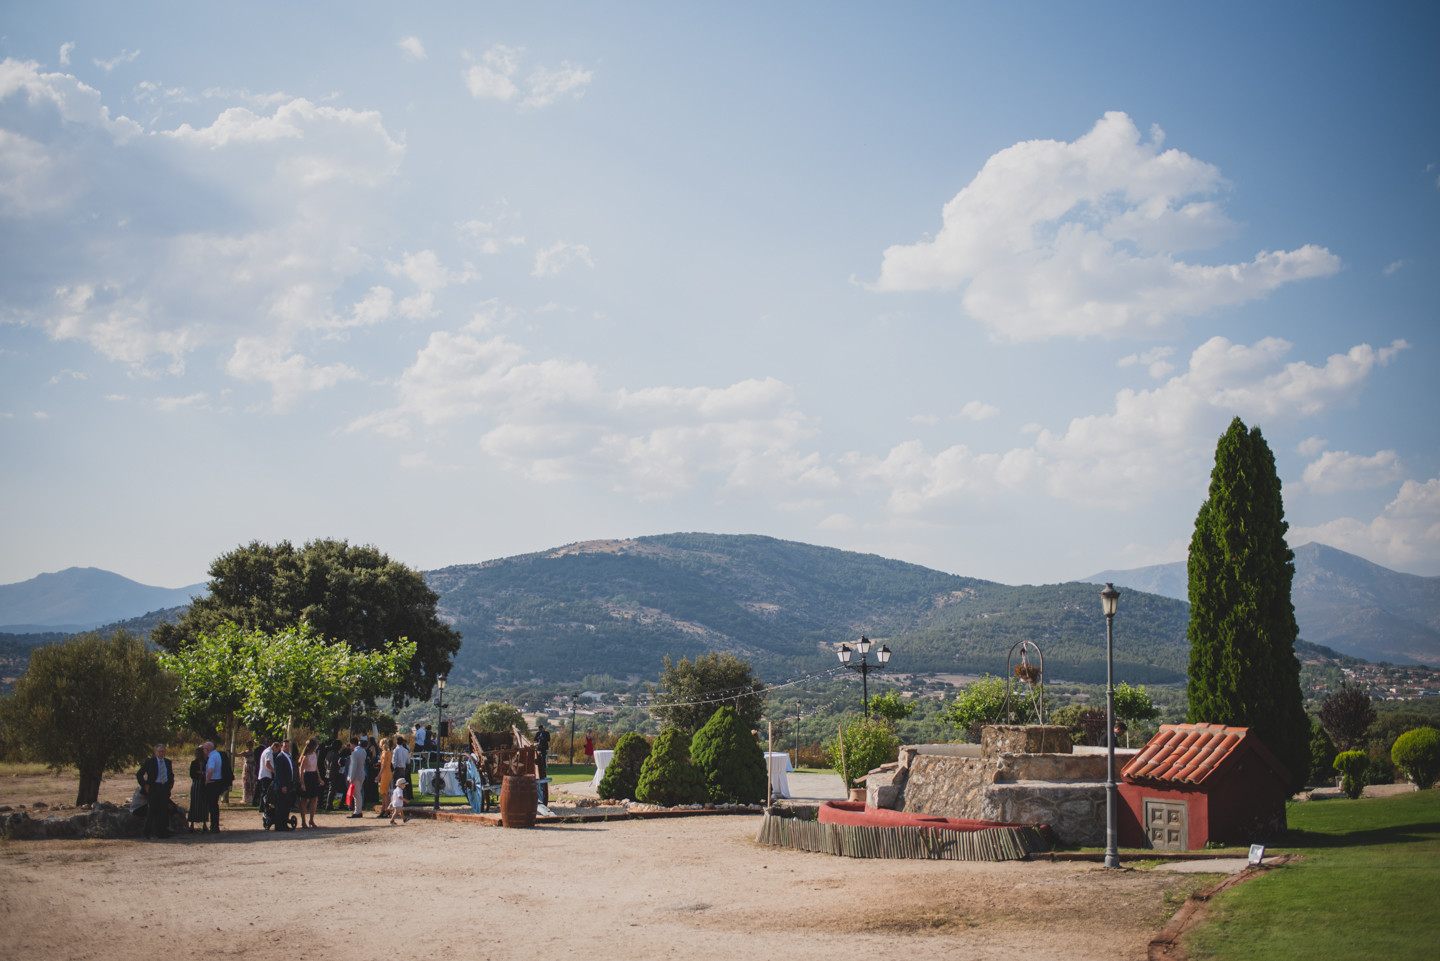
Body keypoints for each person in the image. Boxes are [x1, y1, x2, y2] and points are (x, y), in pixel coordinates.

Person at [136, 743, 175, 840]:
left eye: (163, 751)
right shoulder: (150, 762)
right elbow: (139, 774)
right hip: (154, 788)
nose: (161, 753)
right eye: (159, 751)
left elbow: (170, 775)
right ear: (155, 752)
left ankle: (162, 833)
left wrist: (170, 785)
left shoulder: (168, 762)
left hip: (164, 788)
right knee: (151, 810)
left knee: (163, 810)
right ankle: (147, 833)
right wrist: (145, 785)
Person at [298, 737, 321, 828]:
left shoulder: (314, 754)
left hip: (313, 776)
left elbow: (316, 767)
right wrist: (302, 783)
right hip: (307, 776)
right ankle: (303, 820)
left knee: (314, 798)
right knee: (304, 799)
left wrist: (319, 778)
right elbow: (301, 769)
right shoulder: (306, 757)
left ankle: (311, 819)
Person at [202, 740, 224, 833]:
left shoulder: (211, 757)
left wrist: (207, 780)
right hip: (217, 781)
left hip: (213, 782)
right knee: (214, 804)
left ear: (207, 750)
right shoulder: (217, 755)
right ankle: (215, 824)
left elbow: (211, 769)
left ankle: (214, 825)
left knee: (212, 805)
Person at [187, 746, 207, 832]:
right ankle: (191, 824)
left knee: (204, 804)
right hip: (196, 785)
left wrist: (203, 773)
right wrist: (199, 773)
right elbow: (192, 774)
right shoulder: (194, 763)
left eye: (199, 754)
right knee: (194, 804)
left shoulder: (206, 763)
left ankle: (204, 824)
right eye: (196, 754)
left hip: (204, 785)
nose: (197, 755)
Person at [346, 736, 367, 818]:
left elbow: (353, 766)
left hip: (356, 775)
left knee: (356, 795)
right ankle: (358, 810)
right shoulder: (363, 751)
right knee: (358, 794)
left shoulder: (355, 752)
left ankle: (357, 811)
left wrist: (351, 777)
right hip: (361, 774)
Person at [534, 722, 552, 804]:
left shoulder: (546, 733)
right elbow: (535, 739)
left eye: (541, 729)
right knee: (538, 757)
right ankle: (538, 765)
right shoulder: (538, 733)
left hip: (544, 747)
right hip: (539, 746)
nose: (540, 730)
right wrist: (538, 738)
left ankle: (544, 766)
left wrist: (543, 738)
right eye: (540, 729)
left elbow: (548, 739)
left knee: (544, 757)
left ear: (543, 729)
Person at [377, 737, 394, 819]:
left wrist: (378, 775)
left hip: (385, 773)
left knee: (384, 793)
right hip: (387, 773)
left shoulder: (385, 753)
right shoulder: (388, 752)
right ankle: (384, 809)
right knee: (384, 792)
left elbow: (383, 766)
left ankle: (386, 810)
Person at [391, 736, 411, 801]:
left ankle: (396, 799)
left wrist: (393, 769)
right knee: (403, 785)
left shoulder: (396, 750)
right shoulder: (406, 750)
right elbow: (408, 761)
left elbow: (394, 761)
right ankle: (403, 798)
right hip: (403, 768)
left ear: (396, 742)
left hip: (397, 768)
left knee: (396, 784)